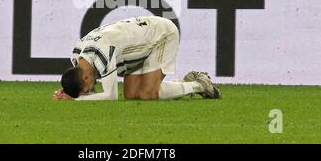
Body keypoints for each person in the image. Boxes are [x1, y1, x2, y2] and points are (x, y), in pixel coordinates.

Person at [53, 16, 221, 101]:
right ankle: (184, 82)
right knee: (132, 94)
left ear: (86, 77)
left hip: (161, 35)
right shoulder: (77, 56)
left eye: (86, 88)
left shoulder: (102, 52)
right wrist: (69, 93)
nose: (90, 90)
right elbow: (93, 90)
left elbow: (111, 96)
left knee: (147, 94)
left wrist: (77, 100)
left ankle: (199, 85)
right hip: (136, 47)